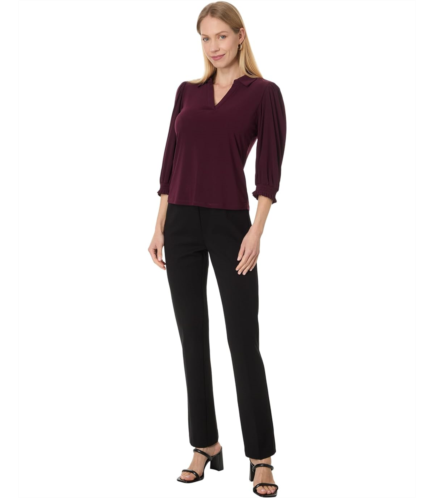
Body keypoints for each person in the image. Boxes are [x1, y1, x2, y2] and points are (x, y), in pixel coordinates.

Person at [148, 2, 286, 496]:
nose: (214, 46)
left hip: (231, 225)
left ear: (240, 36)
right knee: (192, 338)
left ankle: (261, 456)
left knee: (243, 341)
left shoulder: (263, 93)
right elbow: (170, 163)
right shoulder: (187, 92)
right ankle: (204, 444)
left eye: (221, 36)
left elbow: (268, 171)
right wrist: (159, 226)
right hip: (181, 223)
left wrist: (256, 232)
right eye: (205, 38)